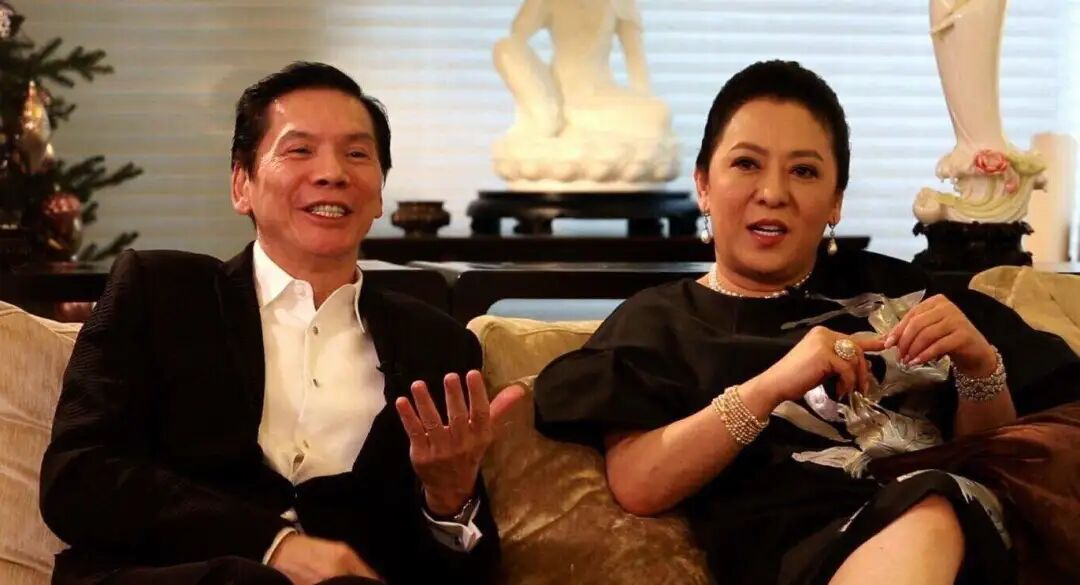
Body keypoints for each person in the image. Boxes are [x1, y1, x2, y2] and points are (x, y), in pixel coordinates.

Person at [533, 60, 1080, 585]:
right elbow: (637, 483)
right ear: (703, 185)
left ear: (836, 201)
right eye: (746, 164)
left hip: (969, 541)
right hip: (803, 555)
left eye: (804, 171)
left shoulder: (906, 290)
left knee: (942, 501)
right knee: (931, 506)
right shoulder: (661, 321)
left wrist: (981, 369)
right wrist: (771, 386)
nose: (773, 193)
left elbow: (993, 463)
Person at [39, 61, 521, 585]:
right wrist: (274, 546)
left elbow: (465, 577)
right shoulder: (159, 292)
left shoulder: (436, 345)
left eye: (357, 154)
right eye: (299, 150)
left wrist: (449, 500)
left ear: (379, 193)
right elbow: (77, 478)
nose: (332, 173)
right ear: (241, 184)